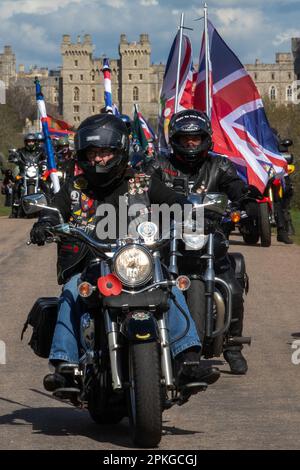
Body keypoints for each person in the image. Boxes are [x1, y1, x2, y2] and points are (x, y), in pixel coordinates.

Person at [29, 113, 220, 393]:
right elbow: (54, 210)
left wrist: (197, 213)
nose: (98, 160)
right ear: (83, 155)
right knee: (72, 289)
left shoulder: (142, 184)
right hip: (92, 264)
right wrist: (44, 223)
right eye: (93, 153)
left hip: (138, 263)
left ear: (120, 152)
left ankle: (187, 359)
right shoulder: (74, 188)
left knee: (171, 285)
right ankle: (65, 365)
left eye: (105, 153)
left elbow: (175, 201)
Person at [147, 109, 257, 375]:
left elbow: (233, 184)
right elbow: (141, 184)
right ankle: (148, 343)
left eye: (196, 138)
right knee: (145, 282)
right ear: (175, 140)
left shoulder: (220, 166)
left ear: (205, 138)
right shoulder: (159, 165)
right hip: (167, 236)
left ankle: (232, 346)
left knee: (231, 284)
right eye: (185, 139)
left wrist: (246, 198)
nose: (191, 143)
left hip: (209, 234)